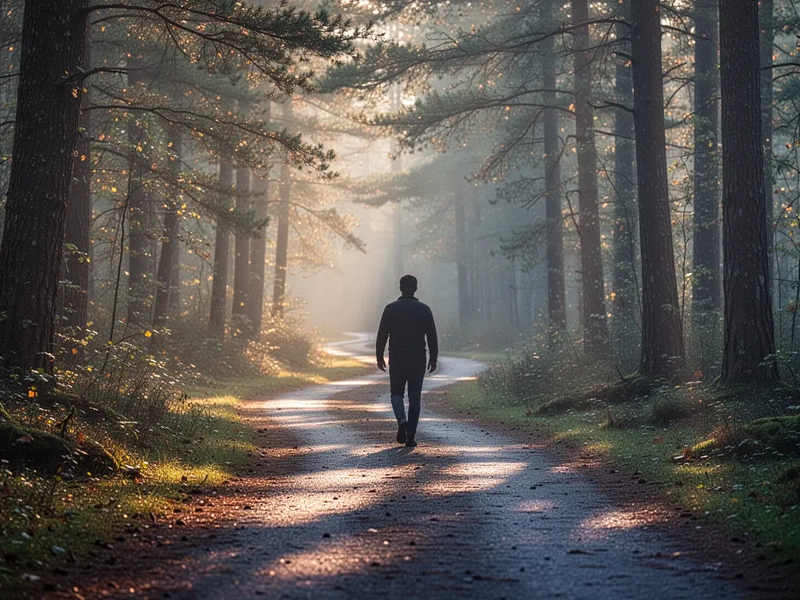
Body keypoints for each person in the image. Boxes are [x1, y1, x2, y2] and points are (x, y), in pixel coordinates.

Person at [376, 274, 438, 448]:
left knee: (396, 392)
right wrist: (433, 358)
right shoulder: (424, 309)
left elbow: (382, 334)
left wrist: (379, 356)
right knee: (414, 397)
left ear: (400, 288)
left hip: (397, 356)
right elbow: (432, 335)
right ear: (416, 288)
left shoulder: (391, 309)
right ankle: (411, 436)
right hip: (418, 357)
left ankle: (401, 420)